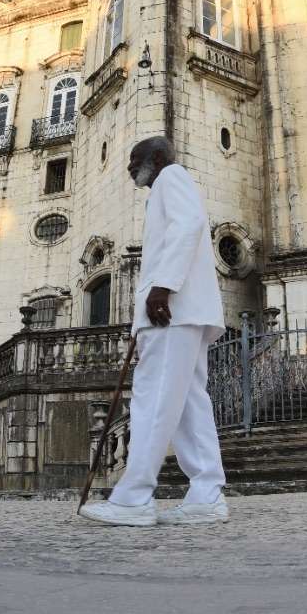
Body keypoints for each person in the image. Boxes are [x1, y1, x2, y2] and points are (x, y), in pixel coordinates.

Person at [79, 137, 229, 528]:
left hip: (173, 311)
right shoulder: (167, 187)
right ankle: (207, 495)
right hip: (184, 312)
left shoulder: (171, 177)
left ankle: (133, 499)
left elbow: (189, 225)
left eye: (136, 159)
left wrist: (163, 286)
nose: (130, 167)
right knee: (189, 406)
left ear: (157, 158)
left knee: (153, 399)